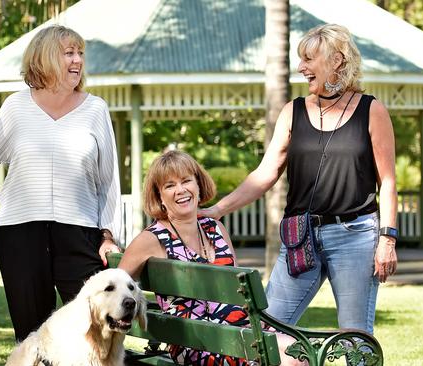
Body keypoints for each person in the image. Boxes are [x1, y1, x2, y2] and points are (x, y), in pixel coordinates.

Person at [203, 24, 397, 335]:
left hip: (355, 236)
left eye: (308, 59)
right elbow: (266, 173)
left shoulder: (371, 110)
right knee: (266, 331)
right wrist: (217, 210)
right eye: (300, 59)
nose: (301, 67)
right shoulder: (292, 111)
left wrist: (387, 240)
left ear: (337, 60)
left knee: (355, 337)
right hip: (300, 237)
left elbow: (387, 181)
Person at [0, 24, 122, 342]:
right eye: (69, 53)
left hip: (79, 235)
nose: (77, 60)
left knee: (95, 331)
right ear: (45, 57)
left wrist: (108, 235)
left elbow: (108, 181)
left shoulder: (95, 109)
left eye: (80, 53)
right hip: (20, 233)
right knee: (33, 336)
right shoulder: (15, 107)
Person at [119, 150, 304, 366]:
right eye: (169, 186)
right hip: (197, 343)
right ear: (159, 196)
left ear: (198, 185)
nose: (181, 190)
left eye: (186, 181)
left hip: (236, 331)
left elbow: (235, 294)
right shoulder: (152, 239)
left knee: (298, 350)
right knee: (292, 358)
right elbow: (113, 285)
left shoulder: (216, 229)